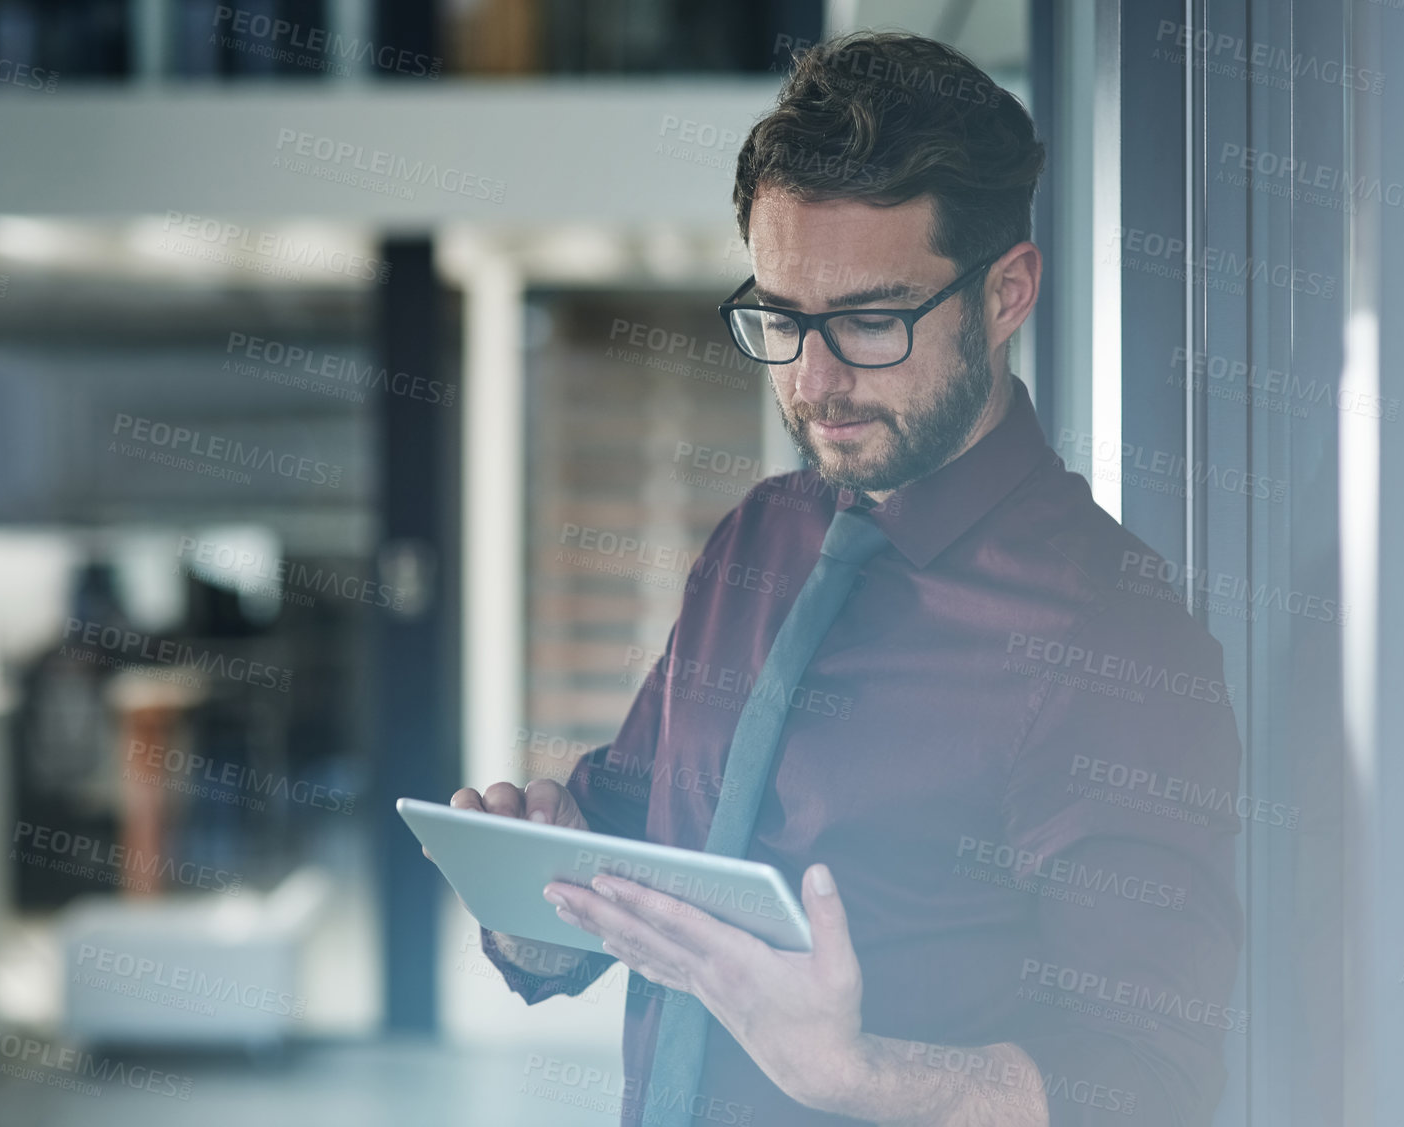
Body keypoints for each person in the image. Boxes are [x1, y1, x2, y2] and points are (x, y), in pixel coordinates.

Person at [446, 30, 1243, 1127]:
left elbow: (1153, 1081)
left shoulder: (1113, 630)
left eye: (870, 321)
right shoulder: (758, 539)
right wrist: (535, 908)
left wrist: (856, 1074)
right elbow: (638, 825)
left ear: (1005, 293)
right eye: (781, 318)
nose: (815, 382)